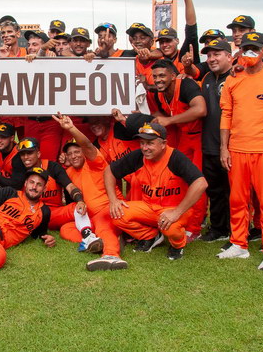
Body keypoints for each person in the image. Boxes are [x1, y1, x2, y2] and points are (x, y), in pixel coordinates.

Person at [217, 32, 263, 271]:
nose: (250, 53)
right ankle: (239, 244)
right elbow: (226, 114)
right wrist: (224, 148)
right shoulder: (233, 79)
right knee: (237, 200)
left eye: (254, 49)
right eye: (246, 48)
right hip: (237, 149)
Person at [107, 122, 207, 261]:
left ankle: (178, 245)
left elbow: (201, 183)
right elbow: (109, 171)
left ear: (163, 143)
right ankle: (150, 236)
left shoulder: (175, 158)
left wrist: (176, 212)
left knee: (170, 228)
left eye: (150, 143)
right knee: (116, 215)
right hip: (149, 207)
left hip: (174, 209)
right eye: (142, 143)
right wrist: (113, 200)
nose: (144, 147)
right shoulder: (138, 156)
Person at [0, 137, 101, 252]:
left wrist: (79, 200)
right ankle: (94, 235)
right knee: (66, 229)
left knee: (77, 208)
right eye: (22, 154)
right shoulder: (20, 170)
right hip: (30, 215)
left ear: (38, 153)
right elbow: (11, 190)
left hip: (53, 213)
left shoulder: (52, 167)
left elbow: (70, 186)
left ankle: (90, 237)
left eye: (29, 153)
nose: (25, 157)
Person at [54, 114, 128, 271]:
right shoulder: (69, 172)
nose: (73, 156)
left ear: (84, 153)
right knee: (66, 229)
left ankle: (112, 255)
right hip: (88, 216)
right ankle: (97, 240)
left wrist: (71, 128)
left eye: (77, 152)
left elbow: (87, 145)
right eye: (70, 153)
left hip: (109, 211)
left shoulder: (95, 162)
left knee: (103, 226)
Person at [148, 59, 207, 239]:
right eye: (155, 76)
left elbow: (201, 109)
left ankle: (195, 227)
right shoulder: (159, 93)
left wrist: (170, 120)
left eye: (162, 76)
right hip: (182, 138)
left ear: (173, 76)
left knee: (195, 180)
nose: (158, 79)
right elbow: (158, 113)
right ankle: (186, 219)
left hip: (199, 137)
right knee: (180, 182)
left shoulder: (186, 85)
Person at [197, 38, 234, 243]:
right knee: (215, 190)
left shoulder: (237, 76)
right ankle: (219, 228)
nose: (211, 59)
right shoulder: (208, 78)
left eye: (216, 54)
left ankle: (237, 231)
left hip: (232, 145)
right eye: (209, 55)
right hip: (209, 144)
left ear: (229, 56)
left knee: (235, 192)